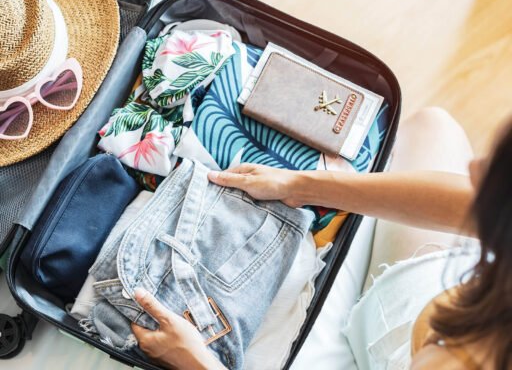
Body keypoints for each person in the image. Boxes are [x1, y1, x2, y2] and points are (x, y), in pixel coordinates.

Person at [130, 107, 512, 370]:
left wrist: (196, 360)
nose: (474, 168)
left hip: (400, 345)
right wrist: (304, 186)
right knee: (434, 126)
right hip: (440, 297)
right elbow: (468, 202)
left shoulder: (459, 361)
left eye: (488, 173)